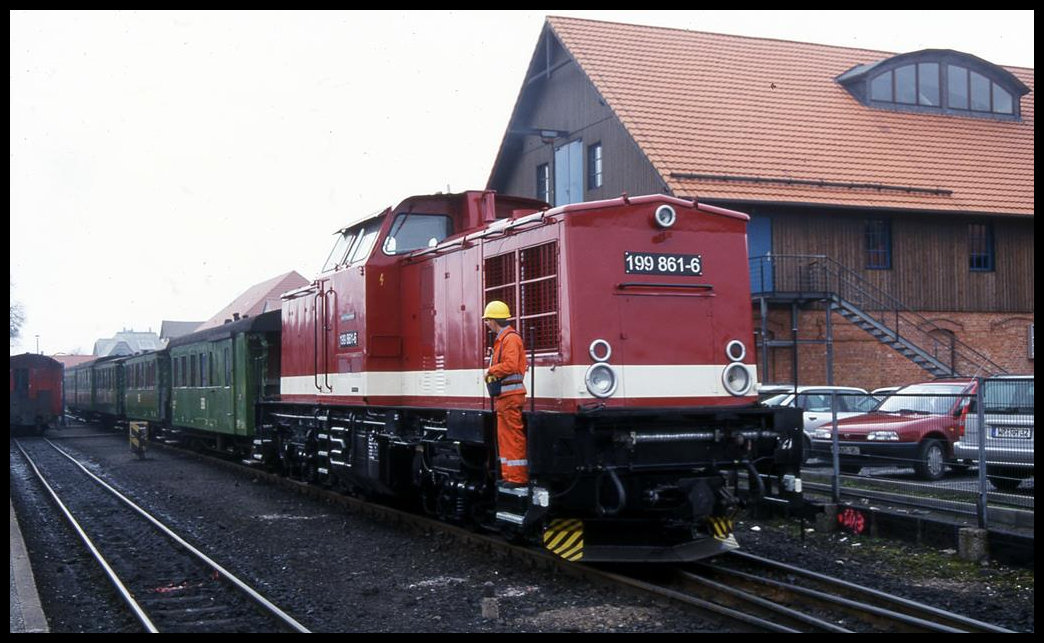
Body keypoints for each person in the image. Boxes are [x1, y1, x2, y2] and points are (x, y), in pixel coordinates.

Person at [482, 300, 529, 487]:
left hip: (511, 396)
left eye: (487, 320)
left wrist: (491, 371)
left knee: (512, 437)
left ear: (494, 320)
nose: (486, 324)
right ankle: (510, 476)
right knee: (505, 437)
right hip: (505, 397)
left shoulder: (510, 339)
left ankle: (517, 478)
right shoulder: (504, 339)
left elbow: (510, 365)